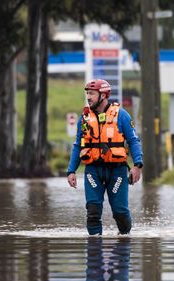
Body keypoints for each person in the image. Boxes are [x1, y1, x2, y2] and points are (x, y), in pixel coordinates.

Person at [67, 79, 143, 235]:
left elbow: (133, 141)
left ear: (103, 95)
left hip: (117, 172)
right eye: (87, 93)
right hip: (93, 170)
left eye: (92, 93)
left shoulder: (121, 116)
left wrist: (137, 165)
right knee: (93, 211)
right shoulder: (84, 119)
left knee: (120, 213)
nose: (88, 97)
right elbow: (78, 145)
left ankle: (125, 240)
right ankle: (95, 248)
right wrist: (71, 171)